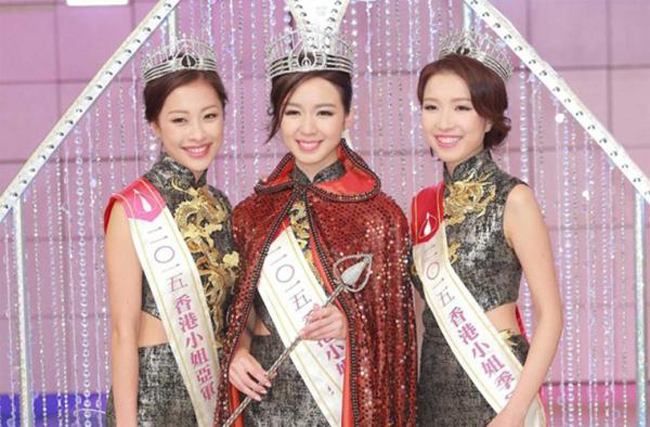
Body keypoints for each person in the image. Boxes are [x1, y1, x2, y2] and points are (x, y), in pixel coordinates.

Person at [214, 1, 417, 426]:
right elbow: (240, 313)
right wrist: (238, 352)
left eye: (324, 112)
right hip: (266, 398)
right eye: (293, 112)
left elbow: (399, 335)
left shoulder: (382, 218)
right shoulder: (251, 215)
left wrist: (351, 325)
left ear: (348, 116)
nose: (308, 128)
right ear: (278, 116)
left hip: (341, 400)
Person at [411, 31, 563, 426]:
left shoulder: (514, 199)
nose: (444, 122)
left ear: (490, 116)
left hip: (497, 390)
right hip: (432, 395)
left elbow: (551, 315)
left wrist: (514, 411)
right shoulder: (423, 206)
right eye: (432, 107)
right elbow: (419, 316)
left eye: (462, 107)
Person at [103, 38, 239, 426]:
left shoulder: (222, 205)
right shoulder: (133, 209)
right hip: (153, 399)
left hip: (214, 396)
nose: (198, 134)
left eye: (209, 116)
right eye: (180, 120)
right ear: (155, 125)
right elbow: (123, 332)